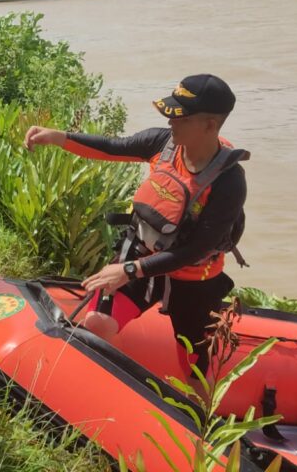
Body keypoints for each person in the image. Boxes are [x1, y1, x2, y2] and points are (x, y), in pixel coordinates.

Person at [24, 74, 248, 376]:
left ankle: (197, 415)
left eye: (180, 117)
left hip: (194, 279)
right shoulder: (163, 143)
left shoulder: (229, 181)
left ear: (210, 125)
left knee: (194, 365)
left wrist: (128, 270)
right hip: (142, 256)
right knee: (97, 324)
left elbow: (197, 250)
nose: (171, 123)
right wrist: (58, 137)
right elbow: (113, 147)